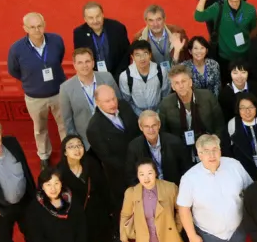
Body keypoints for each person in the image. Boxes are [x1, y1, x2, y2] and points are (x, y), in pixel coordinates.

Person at [8, 12, 68, 169]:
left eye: (39, 25)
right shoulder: (16, 49)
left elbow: (59, 58)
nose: (37, 30)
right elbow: (14, 70)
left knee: (65, 124)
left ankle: (68, 153)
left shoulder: (56, 40)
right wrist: (31, 80)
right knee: (40, 128)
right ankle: (44, 155)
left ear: (45, 24)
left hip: (58, 91)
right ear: (25, 28)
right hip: (34, 96)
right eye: (32, 27)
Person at [58, 135, 116, 242]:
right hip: (77, 215)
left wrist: (110, 209)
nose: (77, 149)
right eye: (71, 146)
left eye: (79, 145)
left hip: (97, 210)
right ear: (65, 151)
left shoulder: (91, 163)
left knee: (105, 239)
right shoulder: (59, 171)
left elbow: (104, 186)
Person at [86, 86, 141, 214]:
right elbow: (108, 158)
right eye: (107, 101)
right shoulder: (94, 128)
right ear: (98, 103)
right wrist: (133, 168)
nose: (113, 103)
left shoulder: (124, 106)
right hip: (121, 175)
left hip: (141, 162)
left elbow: (137, 131)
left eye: (113, 99)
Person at [159, 65, 226, 162]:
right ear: (173, 87)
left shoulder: (207, 97)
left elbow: (219, 124)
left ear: (190, 82)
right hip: (181, 148)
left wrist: (215, 140)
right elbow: (165, 133)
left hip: (207, 145)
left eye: (183, 81)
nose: (181, 86)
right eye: (176, 83)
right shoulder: (166, 104)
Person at [59, 48, 121, 149]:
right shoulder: (66, 88)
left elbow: (119, 103)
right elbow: (67, 120)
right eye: (80, 62)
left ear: (93, 63)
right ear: (74, 65)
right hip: (86, 141)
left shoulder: (107, 78)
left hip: (111, 134)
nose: (84, 66)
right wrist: (76, 143)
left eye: (87, 61)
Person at [194, 0, 257, 68]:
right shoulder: (218, 7)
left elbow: (254, 32)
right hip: (224, 57)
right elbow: (198, 16)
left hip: (245, 56)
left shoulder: (250, 10)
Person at [125, 110, 192, 186]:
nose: (151, 130)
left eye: (154, 125)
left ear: (159, 125)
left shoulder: (175, 142)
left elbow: (186, 169)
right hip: (148, 190)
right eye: (146, 126)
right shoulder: (134, 147)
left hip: (174, 187)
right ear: (140, 127)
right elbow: (131, 175)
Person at [223, 93, 257, 179]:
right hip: (243, 173)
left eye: (251, 107)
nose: (247, 111)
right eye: (243, 108)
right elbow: (227, 152)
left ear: (256, 107)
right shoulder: (232, 126)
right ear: (238, 109)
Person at [72, 2, 130, 78]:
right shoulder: (79, 33)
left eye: (98, 16)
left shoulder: (117, 28)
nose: (95, 21)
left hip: (118, 76)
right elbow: (80, 57)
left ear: (103, 15)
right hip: (93, 77)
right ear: (85, 19)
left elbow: (126, 54)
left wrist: (118, 77)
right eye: (91, 18)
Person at [118, 40, 169, 113]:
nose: (142, 58)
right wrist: (141, 114)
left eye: (145, 53)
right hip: (137, 115)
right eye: (138, 55)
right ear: (132, 57)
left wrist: (157, 113)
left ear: (150, 55)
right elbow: (127, 101)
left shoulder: (161, 71)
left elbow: (165, 95)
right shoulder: (125, 76)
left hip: (159, 112)